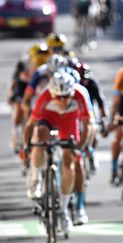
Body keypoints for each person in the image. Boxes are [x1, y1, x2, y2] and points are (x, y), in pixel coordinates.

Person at [22, 70, 93, 232]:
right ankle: (35, 178)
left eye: (66, 96)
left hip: (68, 124)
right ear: (52, 93)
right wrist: (27, 147)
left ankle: (63, 210)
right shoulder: (45, 95)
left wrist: (79, 148)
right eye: (58, 97)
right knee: (39, 138)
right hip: (49, 119)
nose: (62, 101)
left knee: (69, 164)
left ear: (72, 92)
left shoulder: (80, 95)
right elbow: (31, 124)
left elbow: (87, 126)